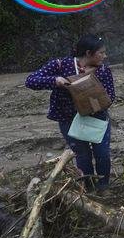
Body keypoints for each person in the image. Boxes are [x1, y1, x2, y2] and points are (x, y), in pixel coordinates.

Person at [25, 34, 115, 190]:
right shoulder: (60, 65)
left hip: (97, 118)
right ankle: (88, 189)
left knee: (102, 154)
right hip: (69, 119)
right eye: (101, 53)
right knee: (82, 156)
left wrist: (93, 99)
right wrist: (55, 80)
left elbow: (110, 96)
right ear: (88, 53)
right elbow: (31, 80)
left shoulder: (103, 70)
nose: (104, 56)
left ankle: (104, 187)